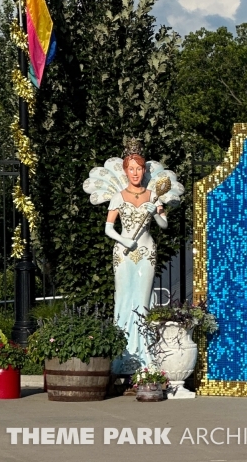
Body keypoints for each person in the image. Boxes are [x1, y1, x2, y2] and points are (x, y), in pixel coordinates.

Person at [104, 140, 168, 374]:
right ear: (125, 171)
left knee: (142, 301)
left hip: (146, 253)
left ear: (144, 171)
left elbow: (163, 225)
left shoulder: (153, 196)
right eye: (131, 168)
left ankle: (145, 357)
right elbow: (108, 228)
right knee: (123, 299)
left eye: (139, 168)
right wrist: (123, 240)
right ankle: (121, 355)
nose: (135, 173)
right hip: (124, 254)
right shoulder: (118, 197)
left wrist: (156, 213)